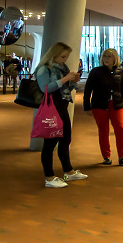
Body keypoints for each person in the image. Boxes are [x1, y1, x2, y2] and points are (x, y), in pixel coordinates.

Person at [33, 42, 85, 188]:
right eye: (63, 56)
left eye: (66, 56)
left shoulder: (63, 68)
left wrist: (73, 81)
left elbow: (67, 88)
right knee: (50, 143)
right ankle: (49, 177)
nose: (65, 59)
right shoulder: (44, 69)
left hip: (62, 106)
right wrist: (65, 79)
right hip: (51, 108)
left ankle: (68, 171)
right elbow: (45, 88)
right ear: (54, 55)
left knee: (65, 138)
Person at [83, 48, 123, 166]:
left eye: (109, 57)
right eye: (104, 56)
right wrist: (87, 106)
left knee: (120, 128)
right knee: (103, 130)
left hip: (117, 103)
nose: (106, 59)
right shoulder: (95, 71)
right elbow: (88, 90)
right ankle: (106, 156)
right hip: (99, 105)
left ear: (115, 58)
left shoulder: (119, 71)